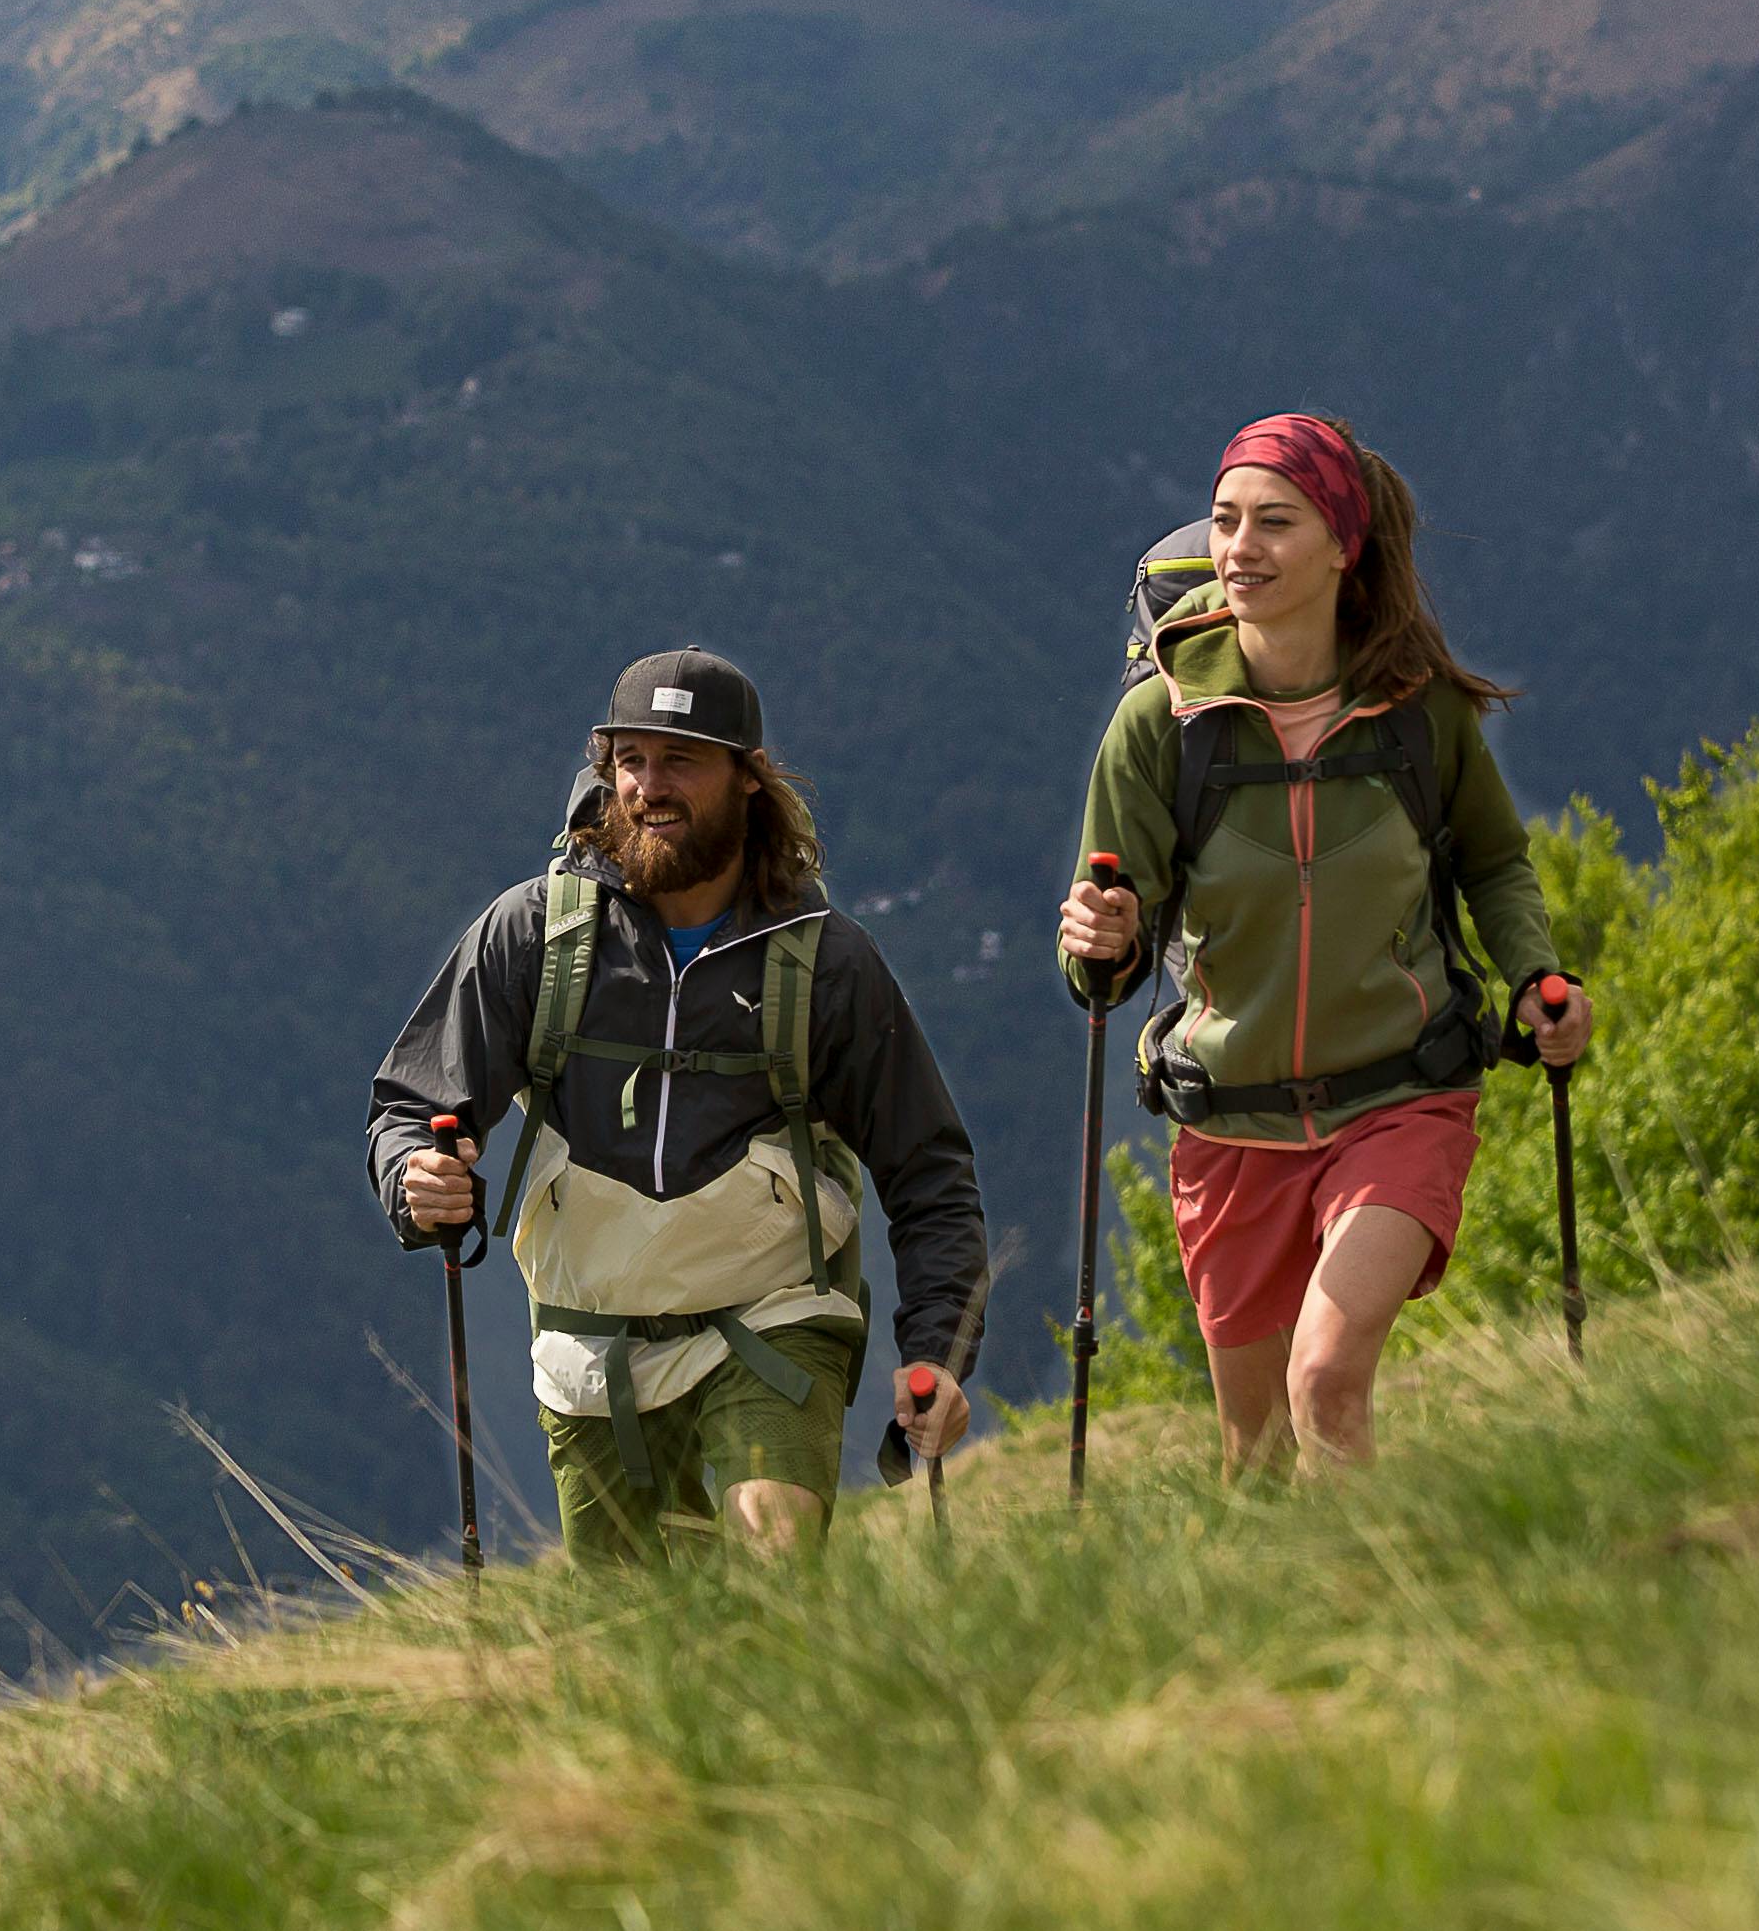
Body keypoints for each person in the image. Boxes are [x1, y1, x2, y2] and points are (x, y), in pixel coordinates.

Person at [1054, 415, 1593, 1474]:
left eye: (1274, 523)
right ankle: (1288, 1634)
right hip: (1232, 1123)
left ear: (1346, 544)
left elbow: (1492, 862)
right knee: (1251, 1459)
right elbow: (1106, 946)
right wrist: (1097, 940)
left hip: (1400, 1095)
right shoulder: (1160, 727)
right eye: (1225, 521)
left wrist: (1535, 977)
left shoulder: (1416, 712)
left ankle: (1380, 1616)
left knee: (1325, 1382)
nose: (1240, 547)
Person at [372, 650, 991, 1562]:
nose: (649, 787)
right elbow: (414, 1106)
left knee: (773, 1550)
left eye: (681, 761)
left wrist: (936, 1346)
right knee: (632, 1650)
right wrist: (415, 1178)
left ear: (749, 778)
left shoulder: (824, 962)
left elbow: (927, 1171)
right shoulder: (536, 933)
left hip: (772, 1321)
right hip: (594, 1349)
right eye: (630, 760)